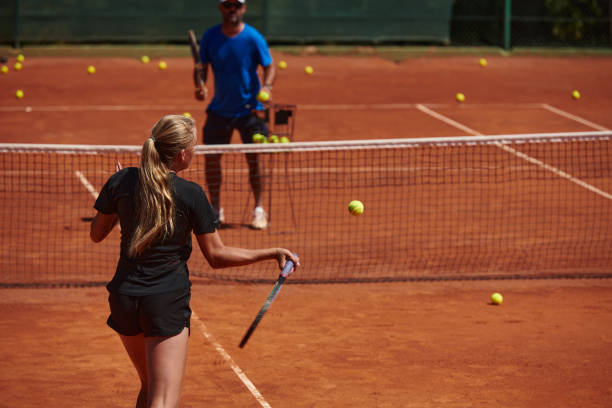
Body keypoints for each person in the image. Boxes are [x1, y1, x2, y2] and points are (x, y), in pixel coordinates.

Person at [90, 114, 299, 408]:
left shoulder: (122, 181)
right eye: (194, 146)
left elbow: (96, 234)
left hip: (124, 298)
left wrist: (118, 197)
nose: (196, 151)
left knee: (150, 388)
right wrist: (270, 252)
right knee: (162, 401)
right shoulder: (191, 194)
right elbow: (217, 256)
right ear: (182, 154)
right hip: (164, 302)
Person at [194, 0, 276, 229]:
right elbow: (201, 69)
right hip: (220, 110)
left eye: (237, 6)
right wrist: (200, 85)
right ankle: (215, 209)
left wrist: (267, 87)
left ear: (243, 9)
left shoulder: (253, 37)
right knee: (212, 160)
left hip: (251, 111)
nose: (233, 9)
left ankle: (259, 210)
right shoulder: (211, 37)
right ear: (221, 8)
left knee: (255, 161)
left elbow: (270, 66)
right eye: (228, 5)